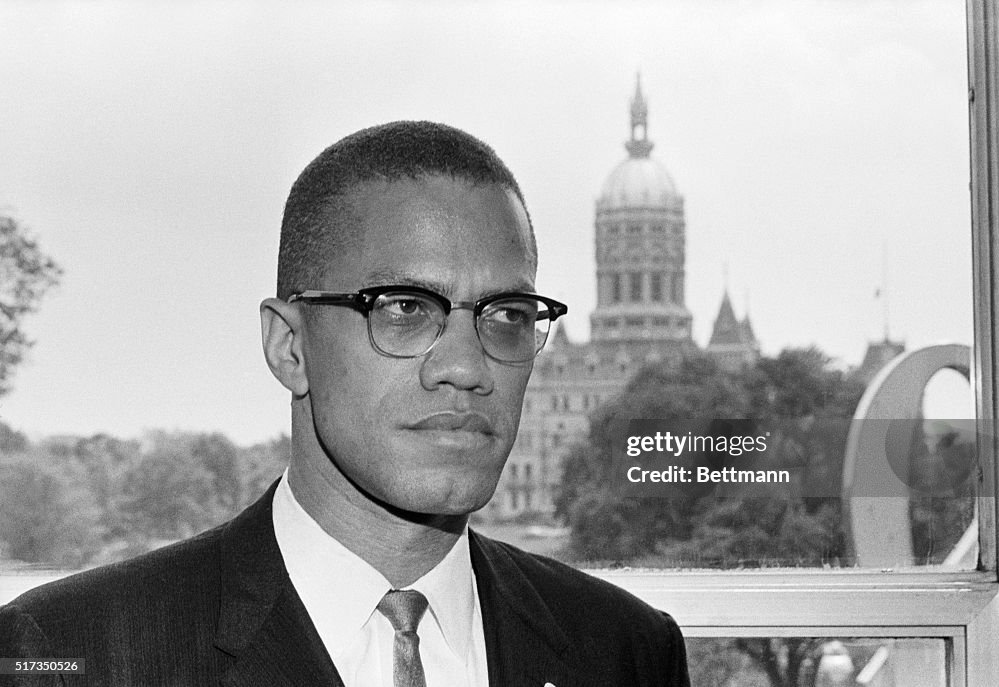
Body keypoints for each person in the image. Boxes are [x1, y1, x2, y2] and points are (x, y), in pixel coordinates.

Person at [0, 121, 689, 686]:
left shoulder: (628, 651)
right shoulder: (74, 654)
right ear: (289, 346)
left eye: (506, 314)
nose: (466, 365)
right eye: (404, 308)